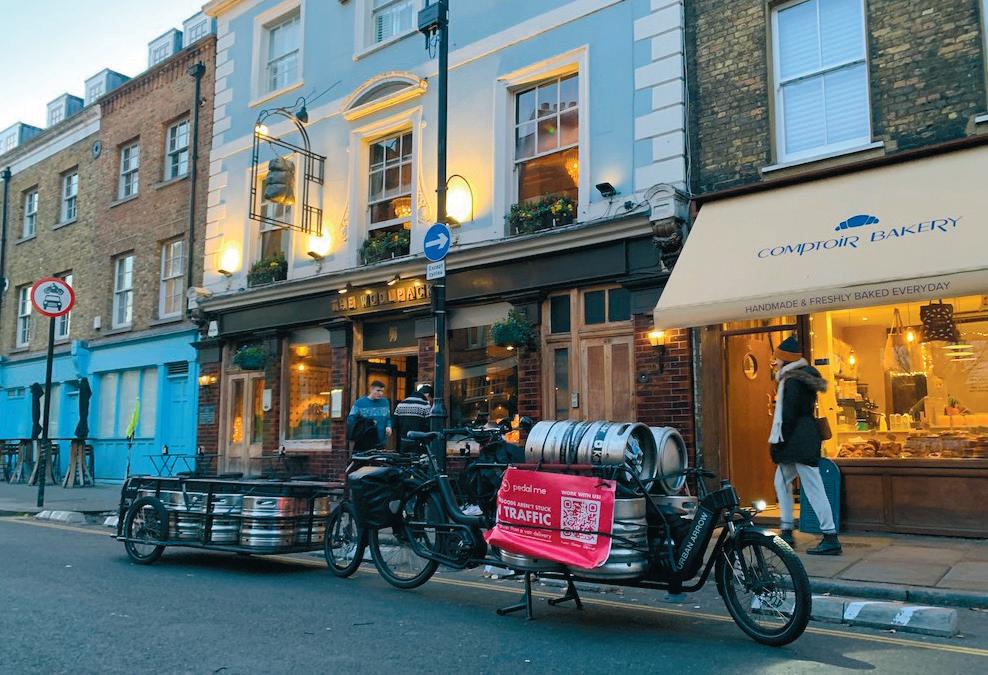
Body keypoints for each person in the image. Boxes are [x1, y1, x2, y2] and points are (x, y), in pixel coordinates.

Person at [769, 336, 842, 556]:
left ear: (786, 360)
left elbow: (788, 414)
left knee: (813, 487)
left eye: (777, 359)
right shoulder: (802, 378)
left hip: (797, 441)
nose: (775, 363)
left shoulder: (791, 381)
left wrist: (778, 442)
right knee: (782, 481)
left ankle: (830, 536)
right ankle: (787, 530)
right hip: (804, 438)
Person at [347, 380, 393, 450]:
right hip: (364, 440)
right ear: (371, 389)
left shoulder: (385, 402)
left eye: (382, 391)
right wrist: (367, 422)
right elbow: (350, 420)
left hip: (381, 440)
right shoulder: (359, 403)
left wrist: (389, 426)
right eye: (378, 390)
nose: (380, 393)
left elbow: (388, 418)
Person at [393, 384, 433, 452]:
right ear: (427, 395)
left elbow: (395, 423)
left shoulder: (401, 404)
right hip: (418, 442)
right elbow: (429, 425)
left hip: (403, 440)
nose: (429, 400)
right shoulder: (425, 405)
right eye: (430, 398)